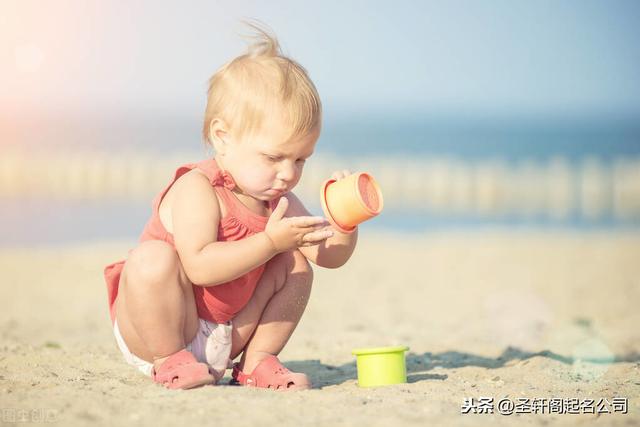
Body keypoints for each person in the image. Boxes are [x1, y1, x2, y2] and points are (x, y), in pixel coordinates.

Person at [103, 23, 358, 391]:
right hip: (160, 328)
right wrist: (270, 242)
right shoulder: (199, 188)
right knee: (151, 258)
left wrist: (345, 222)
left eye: (301, 159)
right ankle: (170, 361)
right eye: (274, 157)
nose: (288, 173)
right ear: (223, 137)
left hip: (225, 333)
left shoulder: (277, 199)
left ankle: (257, 362)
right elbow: (200, 266)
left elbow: (329, 256)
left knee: (295, 265)